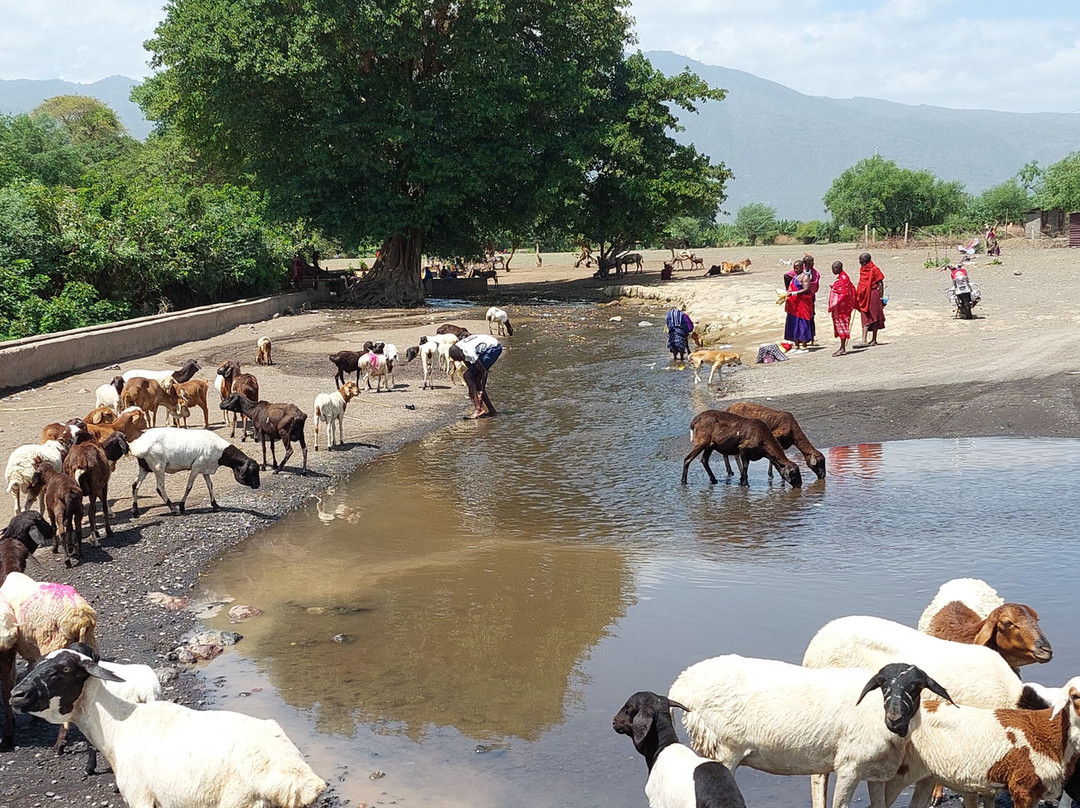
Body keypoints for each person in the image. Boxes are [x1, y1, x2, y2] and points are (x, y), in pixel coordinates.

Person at [448, 333, 502, 419]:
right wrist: (472, 386)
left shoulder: (468, 351)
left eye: (460, 358)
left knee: (467, 375)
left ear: (462, 353)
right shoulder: (458, 348)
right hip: (486, 348)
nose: (460, 360)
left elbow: (484, 372)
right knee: (473, 377)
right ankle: (491, 410)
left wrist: (481, 391)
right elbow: (469, 365)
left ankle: (478, 409)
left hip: (494, 349)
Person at [855, 252, 886, 346]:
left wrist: (880, 298)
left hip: (873, 294)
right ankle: (864, 339)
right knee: (864, 315)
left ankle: (874, 339)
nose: (861, 264)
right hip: (863, 296)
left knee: (874, 316)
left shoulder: (875, 269)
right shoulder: (863, 269)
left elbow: (880, 284)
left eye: (862, 262)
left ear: (866, 261)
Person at [783, 259, 814, 351]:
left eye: (797, 268)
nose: (795, 270)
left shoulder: (805, 277)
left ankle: (804, 346)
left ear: (802, 267)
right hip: (794, 306)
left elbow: (806, 289)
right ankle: (796, 345)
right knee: (794, 324)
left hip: (802, 305)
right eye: (794, 268)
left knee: (802, 324)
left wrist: (793, 293)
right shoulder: (795, 277)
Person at [827, 260, 856, 356]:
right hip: (844, 308)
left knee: (842, 326)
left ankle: (842, 348)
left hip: (842, 309)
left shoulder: (842, 280)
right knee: (842, 326)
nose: (832, 271)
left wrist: (833, 288)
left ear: (838, 268)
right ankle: (842, 347)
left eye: (833, 269)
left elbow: (843, 293)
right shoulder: (844, 278)